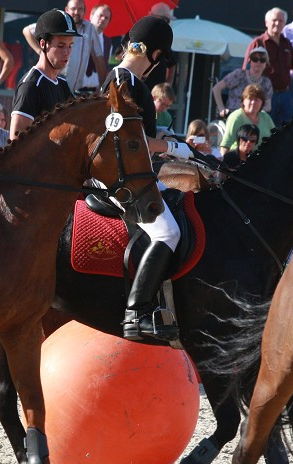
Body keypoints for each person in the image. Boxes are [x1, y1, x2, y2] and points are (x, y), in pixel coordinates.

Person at [103, 16, 194, 342]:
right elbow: (130, 137)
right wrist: (173, 146)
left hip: (138, 174)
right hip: (120, 179)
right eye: (161, 59)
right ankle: (136, 312)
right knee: (167, 231)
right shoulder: (122, 79)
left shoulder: (127, 80)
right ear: (154, 55)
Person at [10, 10, 78, 139]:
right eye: (61, 45)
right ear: (43, 44)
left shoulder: (62, 84)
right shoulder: (31, 85)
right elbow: (16, 142)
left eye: (70, 46)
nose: (67, 52)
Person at [245, 7, 293, 126]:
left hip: (285, 95)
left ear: (284, 24)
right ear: (266, 23)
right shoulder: (258, 43)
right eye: (274, 20)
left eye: (281, 21)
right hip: (265, 96)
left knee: (284, 131)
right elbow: (246, 69)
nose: (277, 23)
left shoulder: (286, 43)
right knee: (265, 129)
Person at [23, 0, 106, 95]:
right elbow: (27, 31)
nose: (76, 12)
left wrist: (102, 87)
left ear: (85, 11)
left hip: (72, 92)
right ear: (66, 10)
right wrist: (40, 51)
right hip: (51, 84)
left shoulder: (90, 28)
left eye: (80, 9)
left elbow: (99, 59)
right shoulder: (57, 23)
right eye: (73, 9)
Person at [213, 46, 273, 119]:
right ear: (250, 61)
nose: (258, 62)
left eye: (262, 60)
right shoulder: (239, 74)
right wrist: (221, 109)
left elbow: (268, 106)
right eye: (255, 59)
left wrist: (253, 111)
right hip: (233, 116)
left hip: (254, 119)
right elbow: (216, 88)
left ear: (266, 63)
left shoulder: (266, 82)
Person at [219, 85, 275, 155]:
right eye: (250, 99)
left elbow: (276, 139)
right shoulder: (236, 117)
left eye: (257, 100)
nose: (253, 102)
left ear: (262, 103)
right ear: (243, 101)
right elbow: (226, 145)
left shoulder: (266, 117)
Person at [79, 4, 113, 93]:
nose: (103, 19)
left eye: (106, 18)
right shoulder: (77, 36)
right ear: (91, 16)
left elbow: (105, 68)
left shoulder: (108, 43)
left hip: (93, 95)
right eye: (100, 15)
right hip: (72, 92)